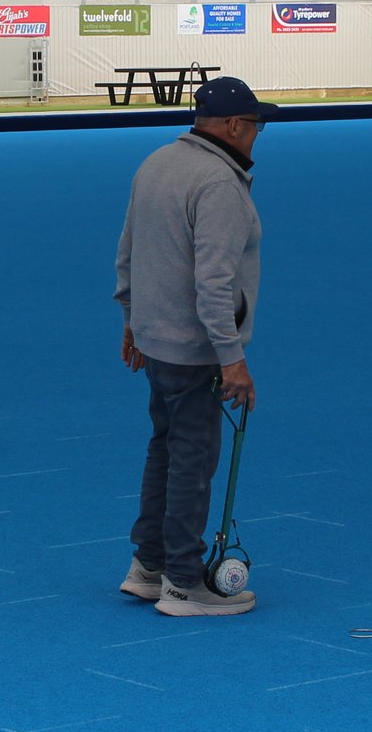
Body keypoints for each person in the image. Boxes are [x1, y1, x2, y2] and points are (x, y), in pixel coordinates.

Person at [116, 75, 272, 616]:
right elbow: (214, 283)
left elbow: (129, 248)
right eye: (255, 125)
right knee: (192, 461)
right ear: (232, 126)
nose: (258, 135)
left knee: (164, 450)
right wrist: (233, 360)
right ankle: (185, 582)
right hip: (194, 349)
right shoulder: (220, 184)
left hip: (157, 340)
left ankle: (148, 565)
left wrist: (131, 321)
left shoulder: (156, 162)